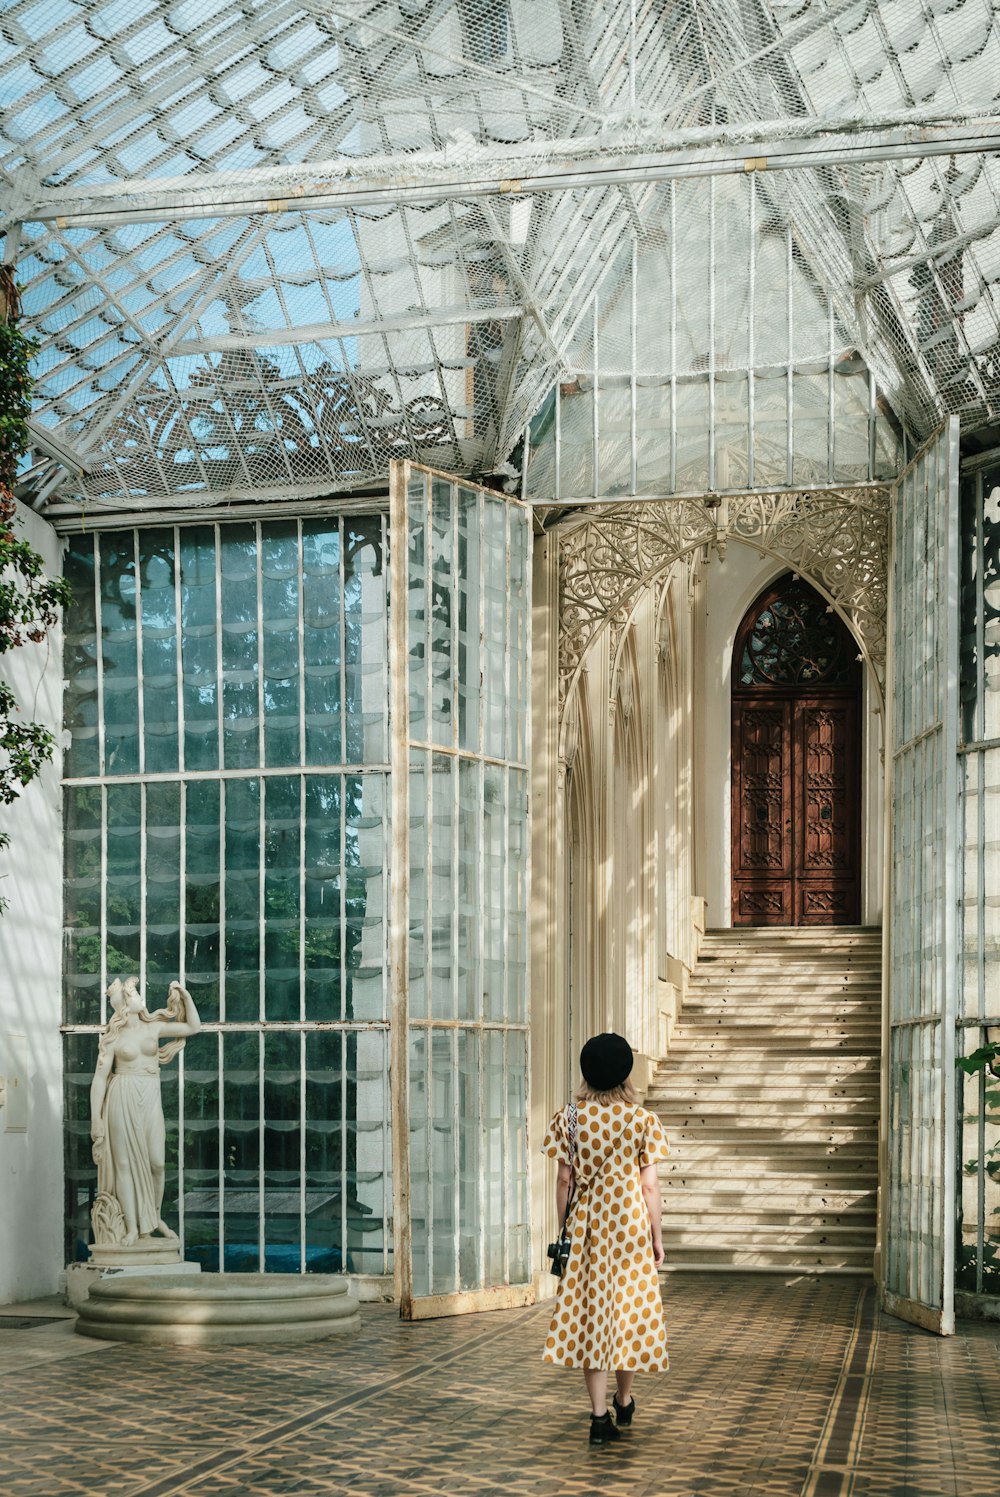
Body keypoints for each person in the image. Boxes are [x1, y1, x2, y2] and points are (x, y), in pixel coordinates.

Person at [541, 1032, 670, 1446]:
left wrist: (565, 1225)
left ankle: (599, 1418)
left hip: (587, 1232)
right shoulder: (642, 1121)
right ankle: (625, 1397)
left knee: (593, 1319)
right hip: (629, 1230)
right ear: (625, 1074)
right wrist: (657, 1236)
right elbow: (650, 1187)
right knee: (627, 1315)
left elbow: (564, 1179)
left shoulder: (571, 1118)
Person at [90, 976, 202, 1246]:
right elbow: (99, 1079)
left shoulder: (155, 1028)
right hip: (122, 1095)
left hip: (150, 1094)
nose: (141, 997)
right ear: (125, 1004)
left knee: (157, 1163)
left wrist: (185, 995)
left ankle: (155, 1216)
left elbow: (193, 1027)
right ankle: (132, 1227)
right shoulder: (114, 1037)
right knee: (125, 1165)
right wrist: (96, 1120)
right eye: (136, 993)